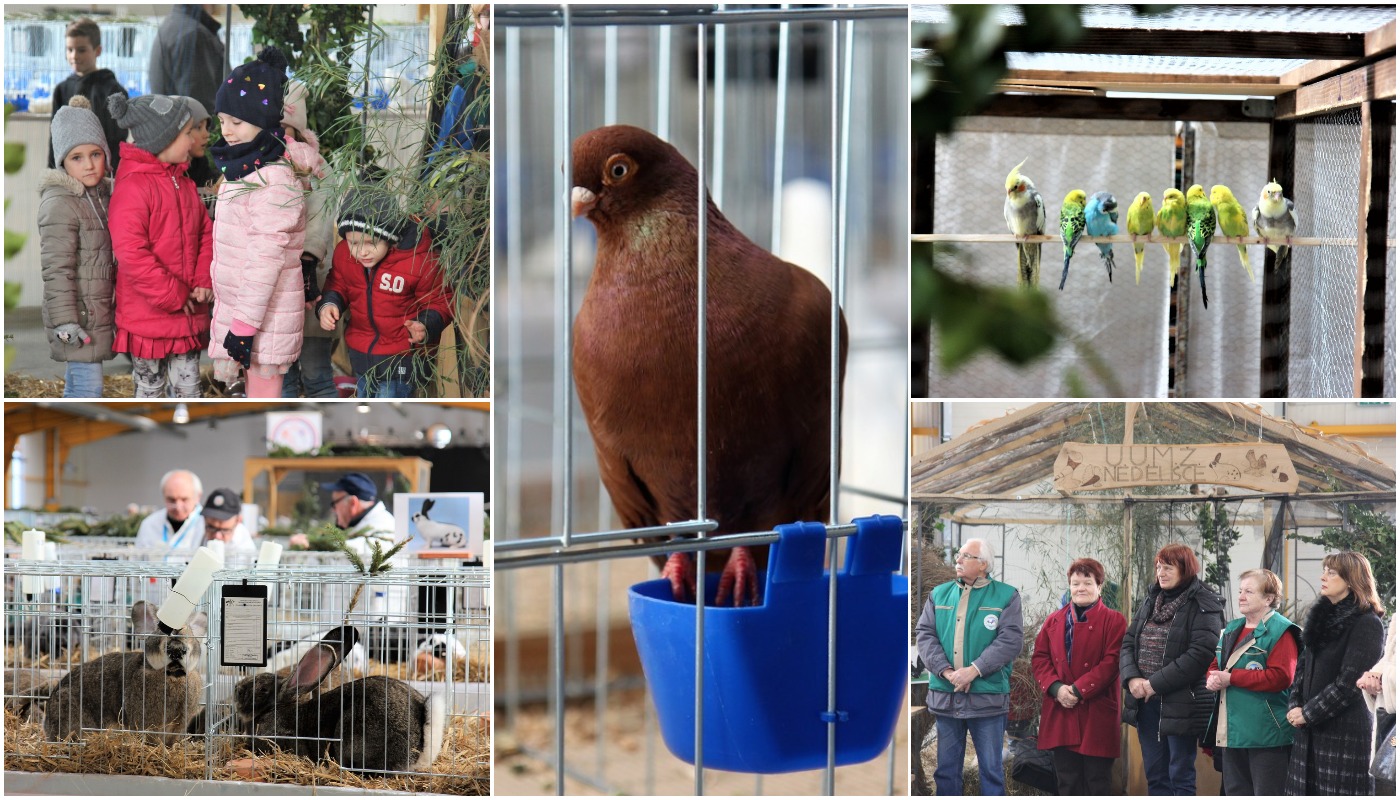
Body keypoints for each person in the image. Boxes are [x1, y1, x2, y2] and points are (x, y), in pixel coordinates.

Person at [207, 47, 314, 398]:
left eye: (236, 122)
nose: (227, 132)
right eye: (222, 121)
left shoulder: (273, 180)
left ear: (263, 119)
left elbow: (265, 259)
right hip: (246, 311)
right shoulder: (245, 167)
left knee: (263, 400)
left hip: (262, 320)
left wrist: (243, 326)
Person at [106, 92, 212, 398]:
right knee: (150, 391)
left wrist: (204, 279)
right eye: (187, 132)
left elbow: (206, 232)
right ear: (161, 139)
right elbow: (131, 254)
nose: (194, 140)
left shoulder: (185, 182)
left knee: (189, 391)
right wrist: (174, 294)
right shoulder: (133, 188)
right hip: (149, 319)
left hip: (186, 316)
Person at [317, 180, 453, 398]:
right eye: (354, 243)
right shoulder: (344, 254)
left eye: (371, 242)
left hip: (402, 356)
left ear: (389, 236)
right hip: (361, 354)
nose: (362, 252)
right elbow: (338, 282)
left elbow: (439, 299)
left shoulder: (418, 260)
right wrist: (329, 303)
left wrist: (426, 325)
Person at [914, 538, 1024, 795]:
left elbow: (1010, 641)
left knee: (990, 769)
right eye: (959, 555)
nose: (958, 560)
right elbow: (925, 634)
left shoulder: (1007, 596)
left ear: (983, 564)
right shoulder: (939, 594)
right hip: (946, 695)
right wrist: (947, 672)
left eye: (966, 556)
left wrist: (973, 670)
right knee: (946, 770)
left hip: (987, 698)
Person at [1119, 543, 1224, 796]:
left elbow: (1200, 654)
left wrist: (1153, 684)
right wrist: (1132, 678)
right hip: (1146, 703)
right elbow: (1128, 642)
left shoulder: (1204, 602)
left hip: (1182, 704)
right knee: (1155, 776)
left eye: (1168, 567)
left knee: (1180, 776)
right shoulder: (1151, 599)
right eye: (1158, 567)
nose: (1161, 573)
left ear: (1185, 569)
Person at [1285, 552, 1386, 795]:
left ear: (1351, 579)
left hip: (1343, 733)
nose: (1323, 577)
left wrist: (1308, 713)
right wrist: (1295, 705)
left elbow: (1351, 683)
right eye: (1324, 571)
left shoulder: (1367, 623)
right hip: (1308, 730)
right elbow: (1302, 668)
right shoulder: (1319, 619)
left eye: (1332, 573)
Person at [39, 96, 116, 397]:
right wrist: (65, 321)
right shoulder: (60, 203)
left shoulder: (104, 193)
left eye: (95, 154)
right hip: (78, 317)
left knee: (80, 381)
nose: (89, 165)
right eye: (77, 157)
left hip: (97, 311)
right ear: (62, 160)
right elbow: (56, 270)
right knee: (89, 387)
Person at [1032, 557, 1127, 795]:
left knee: (1098, 781)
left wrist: (1076, 690)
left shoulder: (1115, 621)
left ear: (1099, 586)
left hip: (1097, 710)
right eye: (1075, 583)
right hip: (1060, 709)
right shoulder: (1053, 620)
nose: (1080, 588)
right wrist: (1057, 689)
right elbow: (1040, 658)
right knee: (1067, 781)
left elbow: (1112, 662)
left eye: (1087, 582)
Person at [1203, 568, 1300, 795]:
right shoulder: (1232, 628)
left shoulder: (1281, 631)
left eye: (1249, 591)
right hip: (1232, 730)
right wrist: (1212, 679)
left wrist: (1232, 678)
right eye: (1240, 591)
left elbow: (1282, 677)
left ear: (1269, 598)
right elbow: (1216, 664)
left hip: (1266, 734)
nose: (1241, 596)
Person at [279, 80, 339, 398]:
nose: (282, 137)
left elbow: (323, 210)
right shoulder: (259, 165)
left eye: (288, 130)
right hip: (276, 286)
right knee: (282, 372)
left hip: (310, 278)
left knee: (316, 370)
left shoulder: (315, 167)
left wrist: (309, 255)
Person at [47, 18, 127, 173]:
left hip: (103, 174)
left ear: (98, 50)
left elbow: (117, 141)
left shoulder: (113, 90)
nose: (74, 56)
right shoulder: (61, 90)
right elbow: (54, 141)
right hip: (68, 178)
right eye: (69, 49)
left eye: (81, 50)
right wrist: (53, 176)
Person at [1359, 601, 1397, 796]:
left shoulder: (1367, 622)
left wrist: (1383, 677)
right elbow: (1390, 659)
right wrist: (1373, 675)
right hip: (1389, 720)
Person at [134, 470, 205, 556]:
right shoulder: (149, 525)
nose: (178, 507)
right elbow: (138, 562)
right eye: (172, 500)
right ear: (163, 496)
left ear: (198, 497)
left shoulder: (208, 525)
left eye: (184, 499)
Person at [198, 487, 257, 556]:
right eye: (211, 527)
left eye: (225, 530)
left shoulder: (246, 551)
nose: (217, 536)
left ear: (238, 521)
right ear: (204, 519)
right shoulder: (196, 528)